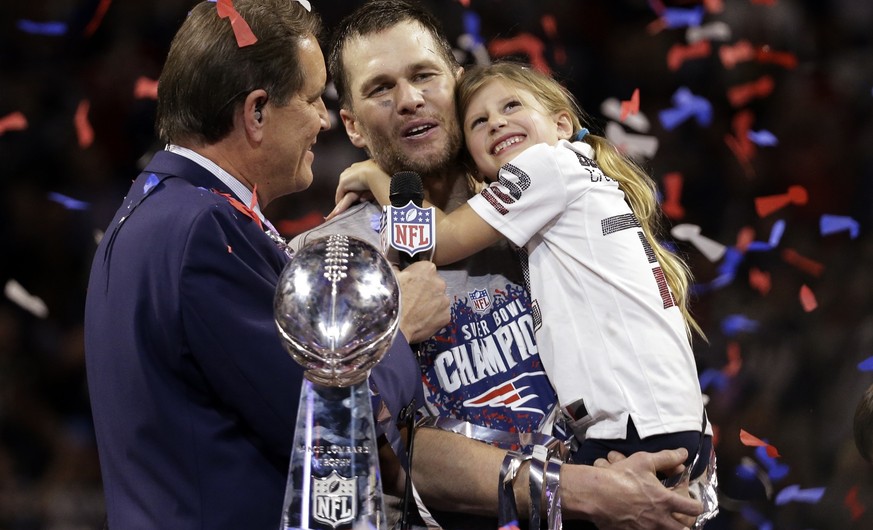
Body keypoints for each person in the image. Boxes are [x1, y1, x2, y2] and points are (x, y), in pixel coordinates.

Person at [294, 1, 704, 528]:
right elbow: (360, 454)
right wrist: (584, 491)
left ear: (457, 84)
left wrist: (678, 486)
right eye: (381, 89)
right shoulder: (329, 265)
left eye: (424, 76)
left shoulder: (539, 210)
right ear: (350, 124)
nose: (410, 100)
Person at [83, 1, 450, 528]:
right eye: (310, 99)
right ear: (257, 112)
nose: (323, 121)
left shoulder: (152, 211)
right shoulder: (203, 231)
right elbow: (320, 431)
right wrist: (393, 327)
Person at [341, 61, 715, 479]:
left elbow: (440, 239)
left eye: (511, 106)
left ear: (561, 123)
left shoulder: (547, 166)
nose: (497, 123)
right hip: (663, 419)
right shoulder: (574, 174)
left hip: (632, 430)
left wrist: (378, 176)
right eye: (478, 122)